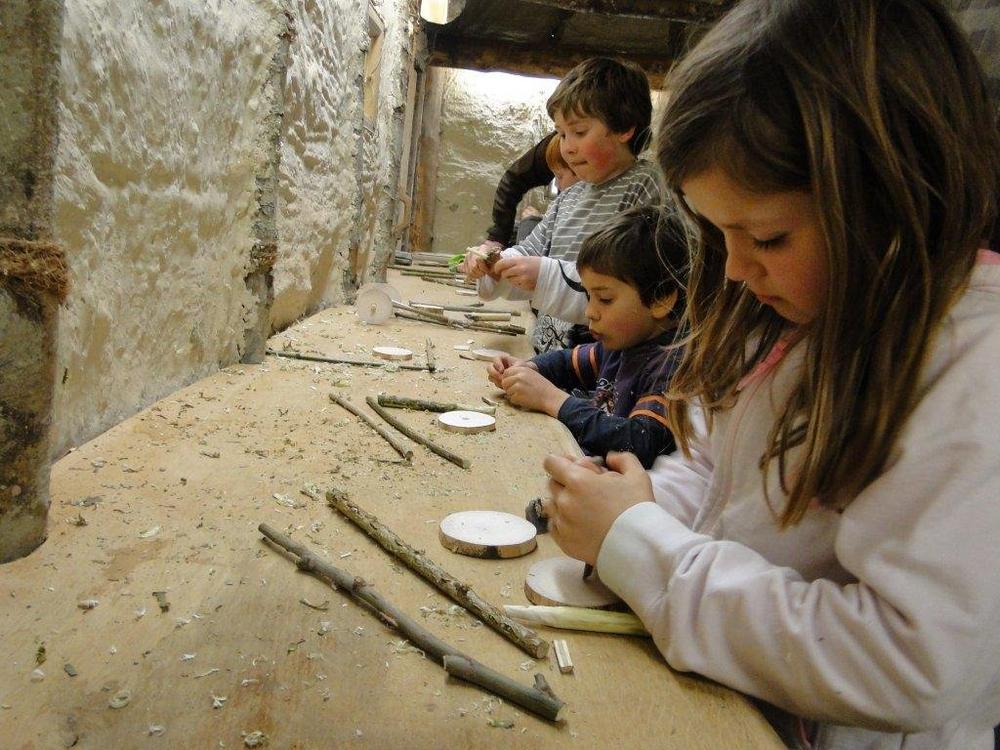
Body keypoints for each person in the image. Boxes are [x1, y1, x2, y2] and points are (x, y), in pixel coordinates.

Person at [540, 1, 1000, 748]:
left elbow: (912, 663)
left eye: (765, 235)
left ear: (885, 189)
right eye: (717, 233)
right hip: (732, 708)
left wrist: (644, 548)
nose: (736, 268)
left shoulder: (973, 366)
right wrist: (642, 500)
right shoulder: (786, 316)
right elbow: (716, 472)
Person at [461, 57, 661, 353]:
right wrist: (495, 264)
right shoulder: (569, 196)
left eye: (579, 132)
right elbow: (530, 251)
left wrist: (545, 276)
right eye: (561, 133)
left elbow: (633, 287)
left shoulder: (645, 185)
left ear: (624, 128)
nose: (567, 146)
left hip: (603, 363)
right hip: (551, 355)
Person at [488, 206, 686, 468]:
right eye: (589, 296)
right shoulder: (621, 343)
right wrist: (528, 369)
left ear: (661, 298)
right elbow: (568, 363)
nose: (590, 311)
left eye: (605, 299)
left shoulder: (673, 363)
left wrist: (552, 400)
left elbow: (641, 441)